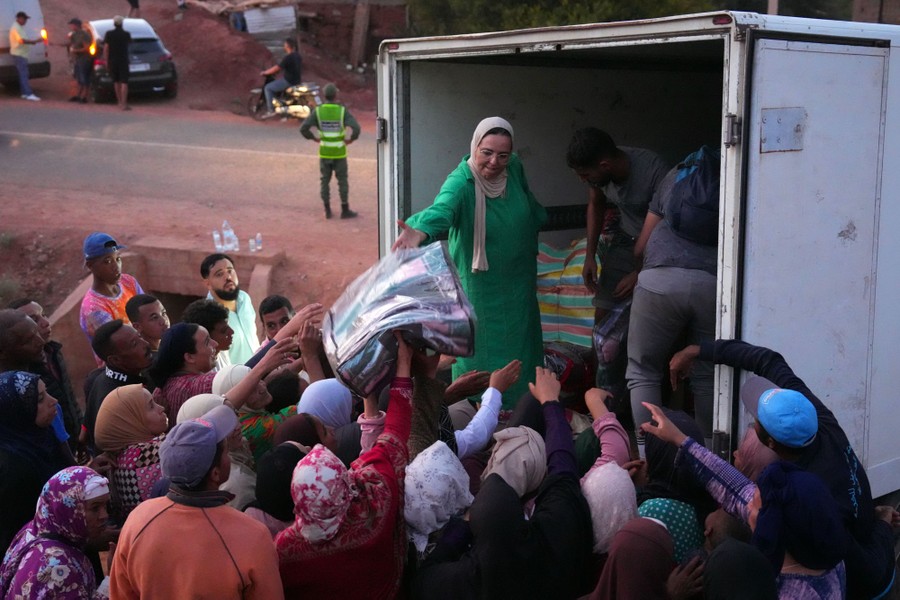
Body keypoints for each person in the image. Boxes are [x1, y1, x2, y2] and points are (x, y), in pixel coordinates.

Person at [670, 340, 898, 599]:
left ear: (770, 443)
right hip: (862, 525)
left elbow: (870, 573)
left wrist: (882, 527)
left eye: (757, 420)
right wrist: (699, 350)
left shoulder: (810, 502)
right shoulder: (818, 418)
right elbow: (769, 361)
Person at [392, 117, 547, 410]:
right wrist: (420, 231)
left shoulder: (513, 168)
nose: (494, 162)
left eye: (503, 154)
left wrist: (534, 222)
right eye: (486, 152)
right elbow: (442, 210)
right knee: (480, 358)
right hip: (482, 290)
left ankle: (525, 411)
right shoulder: (462, 181)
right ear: (475, 146)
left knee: (523, 350)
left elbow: (527, 199)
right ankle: (479, 416)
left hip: (519, 283)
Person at [414, 367, 594, 600]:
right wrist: (550, 401)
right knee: (531, 403)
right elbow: (563, 467)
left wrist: (467, 524)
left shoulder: (470, 579)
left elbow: (424, 577)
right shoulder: (558, 529)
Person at [642, 401, 849, 599]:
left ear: (774, 527)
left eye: (757, 505)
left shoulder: (796, 593)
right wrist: (680, 440)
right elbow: (734, 487)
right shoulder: (820, 546)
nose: (748, 503)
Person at [276, 332, 415, 599]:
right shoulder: (376, 497)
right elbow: (396, 429)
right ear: (346, 484)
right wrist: (404, 366)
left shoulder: (284, 550)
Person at [109, 405, 285, 599]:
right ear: (216, 473)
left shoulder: (139, 519)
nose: (228, 456)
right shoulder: (253, 534)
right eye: (225, 452)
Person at [625, 157, 718, 444]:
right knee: (706, 373)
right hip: (712, 283)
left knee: (643, 370)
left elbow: (641, 246)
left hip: (659, 282)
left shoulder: (676, 174)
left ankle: (648, 456)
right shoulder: (735, 175)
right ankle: (710, 458)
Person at [565, 128, 668, 322]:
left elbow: (667, 225)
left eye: (585, 175)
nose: (582, 180)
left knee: (646, 312)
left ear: (605, 166)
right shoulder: (599, 170)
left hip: (659, 245)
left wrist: (639, 273)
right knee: (604, 308)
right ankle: (601, 352)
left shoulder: (654, 170)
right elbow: (596, 205)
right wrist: (590, 256)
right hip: (626, 238)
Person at [0, 466, 113, 599]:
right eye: (95, 508)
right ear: (69, 510)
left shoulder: (33, 530)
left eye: (106, 506)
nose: (104, 515)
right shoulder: (60, 566)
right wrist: (111, 580)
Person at [0, 371, 67, 552]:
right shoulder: (13, 470)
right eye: (39, 399)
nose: (53, 401)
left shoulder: (41, 437)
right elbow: (24, 534)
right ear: (15, 411)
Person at [10, 297, 83, 448]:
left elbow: (69, 398)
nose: (45, 322)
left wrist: (80, 435)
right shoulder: (21, 375)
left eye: (43, 315)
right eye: (34, 320)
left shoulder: (54, 352)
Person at [94, 384, 168, 522]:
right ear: (128, 421)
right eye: (151, 406)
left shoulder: (115, 460)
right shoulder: (153, 452)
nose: (161, 408)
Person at [177, 393, 257, 510]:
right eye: (223, 422)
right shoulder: (234, 483)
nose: (238, 426)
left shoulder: (237, 449)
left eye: (234, 415)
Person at [83, 320, 152, 453]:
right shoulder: (116, 397)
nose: (146, 344)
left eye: (140, 337)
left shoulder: (105, 376)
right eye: (134, 344)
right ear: (115, 360)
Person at [300, 83, 361, 219]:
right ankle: (345, 209)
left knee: (324, 181)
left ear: (325, 95)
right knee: (342, 181)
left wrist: (313, 138)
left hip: (325, 152)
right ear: (335, 95)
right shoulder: (342, 111)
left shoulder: (318, 111)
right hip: (339, 152)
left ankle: (327, 210)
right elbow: (356, 128)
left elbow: (303, 128)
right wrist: (351, 139)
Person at [79, 232, 144, 350]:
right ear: (90, 266)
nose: (116, 266)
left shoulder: (128, 282)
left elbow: (147, 313)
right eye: (107, 261)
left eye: (118, 258)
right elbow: (121, 346)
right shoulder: (94, 308)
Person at [201, 253, 260, 365]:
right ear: (208, 283)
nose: (228, 277)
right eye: (219, 274)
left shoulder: (244, 298)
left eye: (230, 271)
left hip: (262, 372)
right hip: (240, 380)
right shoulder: (209, 316)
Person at [182, 298, 235, 370]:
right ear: (206, 337)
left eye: (228, 327)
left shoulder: (222, 353)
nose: (232, 332)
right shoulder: (202, 369)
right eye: (223, 331)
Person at [261, 38, 302, 114]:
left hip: (288, 81)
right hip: (297, 80)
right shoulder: (298, 56)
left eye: (284, 45)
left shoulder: (288, 58)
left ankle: (271, 111)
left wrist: (266, 72)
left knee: (268, 88)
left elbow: (277, 68)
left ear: (287, 46)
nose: (284, 47)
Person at [9, 11, 41, 101]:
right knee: (24, 74)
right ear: (19, 18)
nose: (25, 21)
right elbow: (21, 41)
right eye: (24, 19)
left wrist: (33, 42)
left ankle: (24, 93)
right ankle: (28, 93)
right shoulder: (15, 28)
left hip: (21, 54)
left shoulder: (19, 27)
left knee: (22, 74)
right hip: (19, 54)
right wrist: (34, 41)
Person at [104, 16, 132, 110]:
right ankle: (124, 103)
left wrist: (106, 61)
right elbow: (129, 46)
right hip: (123, 60)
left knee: (116, 81)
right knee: (124, 81)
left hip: (112, 60)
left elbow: (106, 49)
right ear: (122, 23)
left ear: (114, 23)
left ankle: (119, 102)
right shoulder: (126, 34)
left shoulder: (109, 34)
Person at [67, 18, 91, 103]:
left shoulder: (84, 35)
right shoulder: (74, 34)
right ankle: (78, 95)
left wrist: (76, 51)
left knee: (84, 78)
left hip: (84, 58)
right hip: (78, 59)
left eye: (72, 25)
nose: (71, 26)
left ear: (76, 25)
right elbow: (70, 44)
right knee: (78, 77)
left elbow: (87, 48)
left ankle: (84, 97)